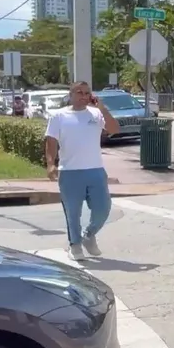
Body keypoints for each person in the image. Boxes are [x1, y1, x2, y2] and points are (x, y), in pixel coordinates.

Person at [45, 81, 120, 261]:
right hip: (70, 171)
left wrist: (102, 109)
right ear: (71, 95)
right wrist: (50, 164)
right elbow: (51, 141)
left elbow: (114, 129)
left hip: (95, 170)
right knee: (73, 213)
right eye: (79, 92)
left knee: (103, 208)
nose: (84, 96)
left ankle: (89, 235)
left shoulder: (96, 114)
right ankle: (75, 245)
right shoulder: (58, 116)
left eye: (87, 93)